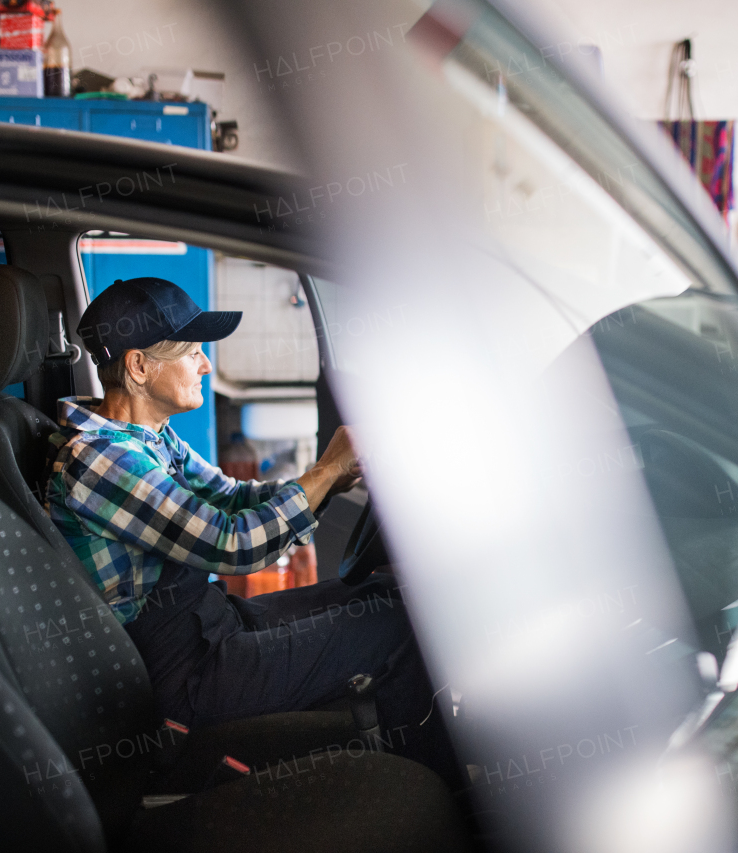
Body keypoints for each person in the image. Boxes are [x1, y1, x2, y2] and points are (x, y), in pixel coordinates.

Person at [44, 276, 455, 780]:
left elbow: (234, 498)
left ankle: (408, 766)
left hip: (211, 627)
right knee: (398, 625)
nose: (205, 364)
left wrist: (329, 480)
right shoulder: (101, 460)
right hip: (184, 681)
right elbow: (229, 541)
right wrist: (322, 472)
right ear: (139, 366)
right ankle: (432, 794)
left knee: (388, 595)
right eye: (192, 351)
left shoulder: (148, 439)